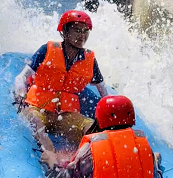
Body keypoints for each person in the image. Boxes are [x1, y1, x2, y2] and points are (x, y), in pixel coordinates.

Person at [42, 95, 167, 178]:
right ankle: (155, 161)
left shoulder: (91, 148)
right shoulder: (143, 146)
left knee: (53, 160)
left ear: (100, 119)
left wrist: (52, 163)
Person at [13, 9, 108, 153]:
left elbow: (104, 92)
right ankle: (52, 159)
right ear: (64, 31)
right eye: (77, 30)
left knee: (90, 126)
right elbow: (20, 78)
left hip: (65, 115)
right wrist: (20, 95)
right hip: (37, 108)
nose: (82, 35)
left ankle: (88, 159)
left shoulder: (90, 60)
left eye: (85, 31)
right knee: (36, 121)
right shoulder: (47, 50)